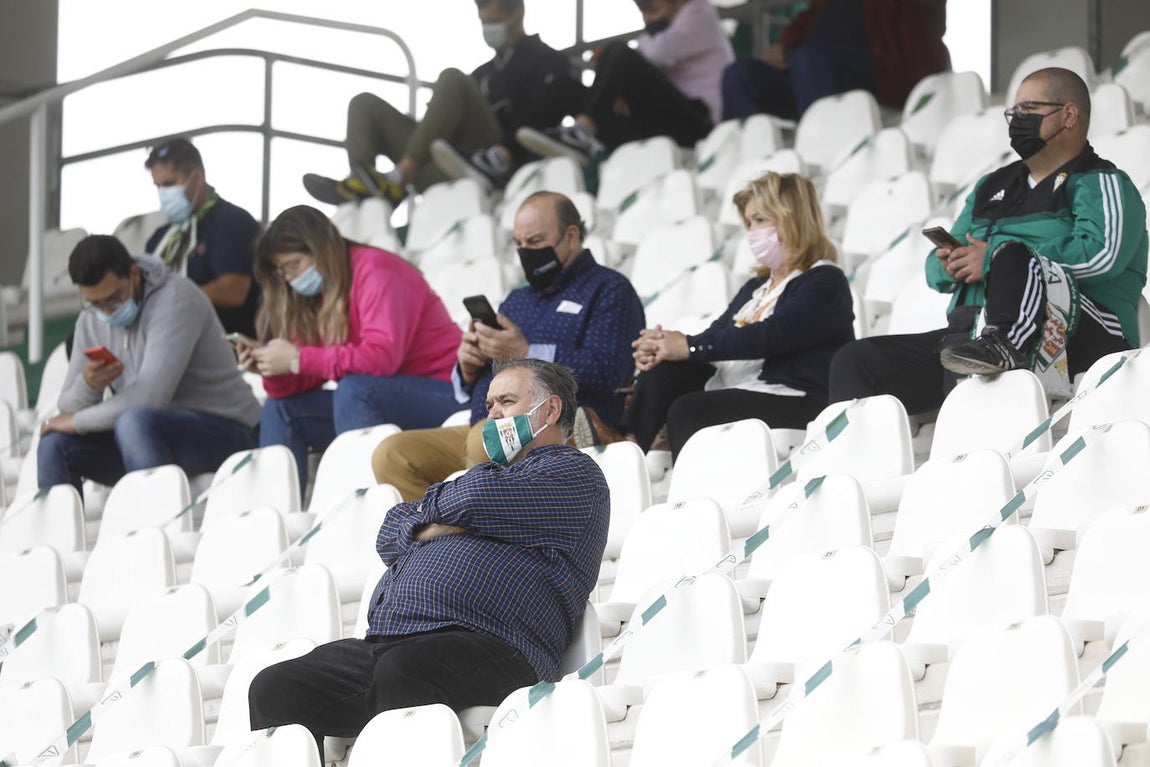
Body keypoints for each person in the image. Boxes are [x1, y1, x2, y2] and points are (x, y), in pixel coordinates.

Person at [248, 359, 610, 751]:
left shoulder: (574, 473)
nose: (493, 416)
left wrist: (437, 518)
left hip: (497, 643)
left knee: (403, 670)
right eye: (488, 406)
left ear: (550, 410)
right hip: (391, 642)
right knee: (274, 688)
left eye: (506, 401)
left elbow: (475, 500)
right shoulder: (475, 478)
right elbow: (390, 532)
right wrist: (446, 518)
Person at [829, 68, 1148, 414]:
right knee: (857, 361)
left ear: (1069, 115)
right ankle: (849, 461)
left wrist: (995, 259)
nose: (1016, 120)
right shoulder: (991, 187)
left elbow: (1103, 255)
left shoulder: (1103, 182)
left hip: (1077, 332)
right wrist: (951, 263)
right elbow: (934, 271)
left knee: (1010, 254)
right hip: (971, 334)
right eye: (1014, 112)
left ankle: (1003, 348)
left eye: (1029, 109)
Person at [372, 191, 645, 501]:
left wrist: (526, 354)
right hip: (484, 423)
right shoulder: (518, 299)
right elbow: (481, 377)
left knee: (484, 443)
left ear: (571, 236)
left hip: (557, 426)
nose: (525, 252)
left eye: (535, 242)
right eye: (519, 244)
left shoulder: (609, 289)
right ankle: (439, 545)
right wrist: (468, 367)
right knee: (392, 455)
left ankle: (480, 535)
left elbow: (611, 370)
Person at [621, 171, 854, 459]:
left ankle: (689, 495)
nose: (752, 232)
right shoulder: (756, 287)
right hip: (741, 389)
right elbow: (720, 334)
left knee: (689, 409)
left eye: (760, 220)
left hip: (799, 400)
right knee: (666, 368)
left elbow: (772, 335)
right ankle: (627, 447)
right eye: (748, 223)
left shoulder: (825, 280)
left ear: (792, 217)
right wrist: (662, 346)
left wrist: (688, 345)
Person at [236, 205, 461, 492]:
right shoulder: (317, 294)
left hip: (447, 393)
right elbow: (305, 376)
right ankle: (274, 514)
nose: (289, 279)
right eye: (282, 271)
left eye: (293, 265)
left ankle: (369, 506)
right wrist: (273, 368)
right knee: (281, 409)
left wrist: (298, 358)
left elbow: (381, 359)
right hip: (378, 399)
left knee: (355, 390)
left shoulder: (376, 269)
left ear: (320, 250)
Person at [37, 235, 261, 492]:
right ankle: (64, 532)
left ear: (133, 274)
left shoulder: (177, 299)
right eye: (95, 303)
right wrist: (89, 385)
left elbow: (149, 398)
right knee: (54, 443)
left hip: (226, 429)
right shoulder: (90, 319)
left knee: (134, 422)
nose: (106, 311)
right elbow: (67, 406)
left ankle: (153, 524)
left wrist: (78, 421)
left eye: (113, 299)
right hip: (144, 439)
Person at [303, 0, 581, 201]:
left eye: (494, 21)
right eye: (484, 22)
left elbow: (543, 121)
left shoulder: (548, 60)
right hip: (447, 162)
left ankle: (398, 180)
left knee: (451, 78)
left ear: (518, 12)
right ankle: (363, 182)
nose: (488, 29)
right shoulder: (484, 73)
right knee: (365, 104)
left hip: (498, 165)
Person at [516, 0, 733, 165]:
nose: (647, 18)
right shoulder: (658, 34)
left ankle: (582, 132)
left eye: (651, 8)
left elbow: (655, 53)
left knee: (618, 52)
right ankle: (507, 156)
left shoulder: (699, 10)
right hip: (658, 124)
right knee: (565, 88)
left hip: (698, 126)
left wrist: (612, 66)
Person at [721, 0, 950, 121]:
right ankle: (753, 164)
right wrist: (784, 44)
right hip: (811, 74)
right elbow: (809, 18)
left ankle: (821, 146)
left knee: (808, 61)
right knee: (739, 74)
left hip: (883, 72)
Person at [143, 137, 262, 338]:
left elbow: (234, 291)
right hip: (169, 333)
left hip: (224, 341)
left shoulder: (231, 222)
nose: (163, 193)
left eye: (170, 184)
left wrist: (169, 299)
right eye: (158, 186)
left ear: (197, 177)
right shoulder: (160, 239)